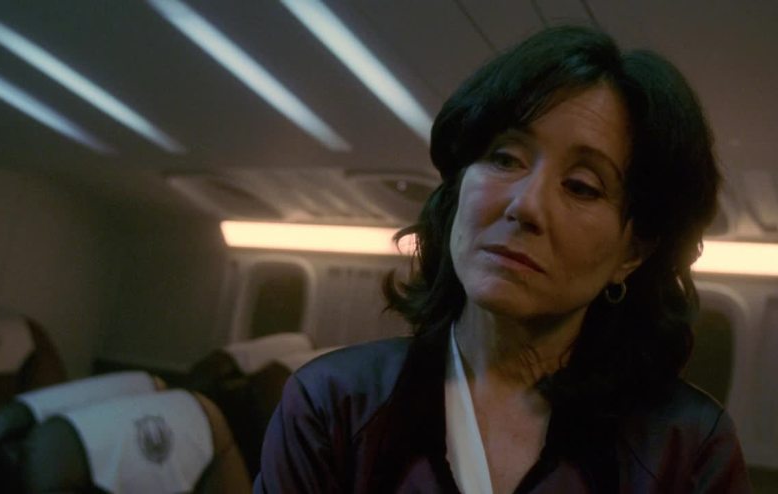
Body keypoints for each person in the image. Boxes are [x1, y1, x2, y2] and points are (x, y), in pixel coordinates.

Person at [254, 25, 750, 493]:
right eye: (504, 158)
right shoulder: (333, 405)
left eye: (582, 186)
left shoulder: (686, 450)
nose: (525, 205)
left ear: (633, 252)